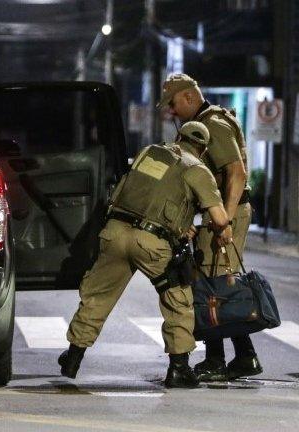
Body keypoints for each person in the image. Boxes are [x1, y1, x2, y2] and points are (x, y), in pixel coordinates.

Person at [59, 122, 232, 388]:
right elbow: (219, 218)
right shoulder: (198, 169)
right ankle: (178, 369)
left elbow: (137, 191)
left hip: (115, 233)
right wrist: (222, 228)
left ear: (178, 136)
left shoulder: (150, 152)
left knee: (97, 297)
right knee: (177, 299)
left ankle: (73, 357)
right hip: (152, 244)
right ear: (203, 148)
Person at [158, 73, 260, 382]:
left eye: (173, 104)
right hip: (214, 214)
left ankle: (219, 359)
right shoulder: (200, 124)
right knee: (210, 282)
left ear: (188, 97)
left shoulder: (213, 123)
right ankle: (244, 357)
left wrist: (223, 222)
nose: (171, 111)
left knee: (210, 285)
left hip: (227, 212)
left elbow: (236, 173)